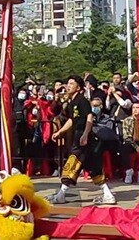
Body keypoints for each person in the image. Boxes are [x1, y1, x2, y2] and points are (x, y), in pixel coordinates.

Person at [47, 76, 115, 206]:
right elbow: (71, 120)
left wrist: (85, 134)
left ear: (78, 87)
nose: (68, 86)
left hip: (83, 136)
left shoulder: (82, 100)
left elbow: (89, 117)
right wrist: (60, 131)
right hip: (79, 135)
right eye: (68, 83)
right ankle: (108, 195)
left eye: (71, 84)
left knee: (72, 162)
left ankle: (61, 195)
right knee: (92, 166)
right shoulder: (72, 102)